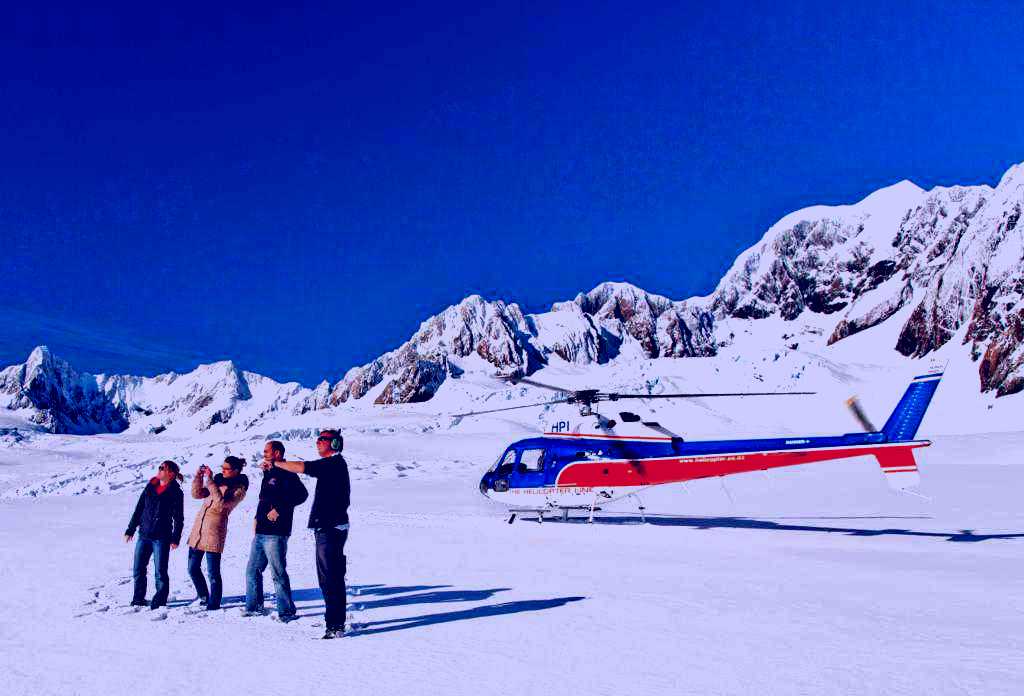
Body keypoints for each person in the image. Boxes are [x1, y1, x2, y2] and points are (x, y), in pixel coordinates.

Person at [265, 428, 350, 639]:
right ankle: (334, 622)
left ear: (335, 444)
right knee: (328, 578)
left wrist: (276, 464)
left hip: (330, 528)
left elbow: (303, 467)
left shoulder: (334, 463)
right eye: (318, 439)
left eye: (323, 439)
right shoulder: (331, 465)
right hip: (327, 527)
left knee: (331, 579)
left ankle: (335, 625)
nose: (318, 442)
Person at [244, 440, 308, 619]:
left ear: (278, 453)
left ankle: (286, 611)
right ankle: (254, 607)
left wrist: (279, 509)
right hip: (261, 530)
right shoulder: (269, 472)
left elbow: (301, 495)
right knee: (252, 570)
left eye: (267, 451)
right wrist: (257, 518)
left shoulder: (288, 472)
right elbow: (264, 499)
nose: (264, 453)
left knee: (277, 572)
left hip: (277, 532)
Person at [186, 456, 248, 610]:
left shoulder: (239, 489)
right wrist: (199, 478)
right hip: (199, 529)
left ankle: (214, 604)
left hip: (214, 531)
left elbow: (221, 504)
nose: (223, 471)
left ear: (236, 471)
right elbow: (196, 494)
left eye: (227, 469)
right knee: (192, 568)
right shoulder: (218, 481)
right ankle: (203, 596)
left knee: (213, 572)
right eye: (223, 467)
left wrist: (211, 481)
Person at [124, 460, 185, 609]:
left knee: (160, 572)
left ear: (171, 473)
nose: (159, 470)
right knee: (138, 569)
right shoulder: (151, 486)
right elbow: (139, 508)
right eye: (159, 467)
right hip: (144, 535)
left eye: (162, 468)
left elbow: (178, 518)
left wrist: (175, 538)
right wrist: (130, 529)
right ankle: (138, 599)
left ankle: (160, 602)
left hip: (162, 537)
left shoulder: (176, 492)